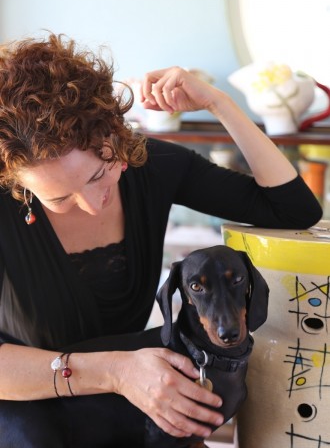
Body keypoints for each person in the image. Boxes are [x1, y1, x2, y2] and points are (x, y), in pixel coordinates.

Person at [0, 33, 322, 447]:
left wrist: (217, 104)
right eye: (59, 197)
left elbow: (294, 210)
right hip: (28, 420)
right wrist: (117, 370)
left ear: (115, 134)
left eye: (99, 175)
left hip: (127, 414)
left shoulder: (154, 166)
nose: (92, 205)